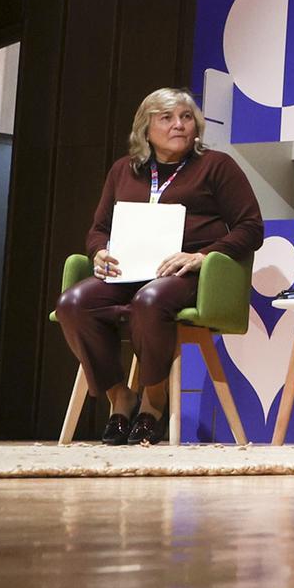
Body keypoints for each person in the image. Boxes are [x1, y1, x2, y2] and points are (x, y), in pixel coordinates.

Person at [55, 88, 262, 446]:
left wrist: (203, 257)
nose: (179, 125)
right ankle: (120, 395)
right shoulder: (124, 170)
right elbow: (99, 228)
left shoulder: (216, 166)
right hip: (128, 270)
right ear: (145, 128)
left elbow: (251, 227)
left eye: (186, 117)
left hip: (186, 275)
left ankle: (153, 399)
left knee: (150, 301)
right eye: (166, 118)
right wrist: (99, 251)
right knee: (74, 304)